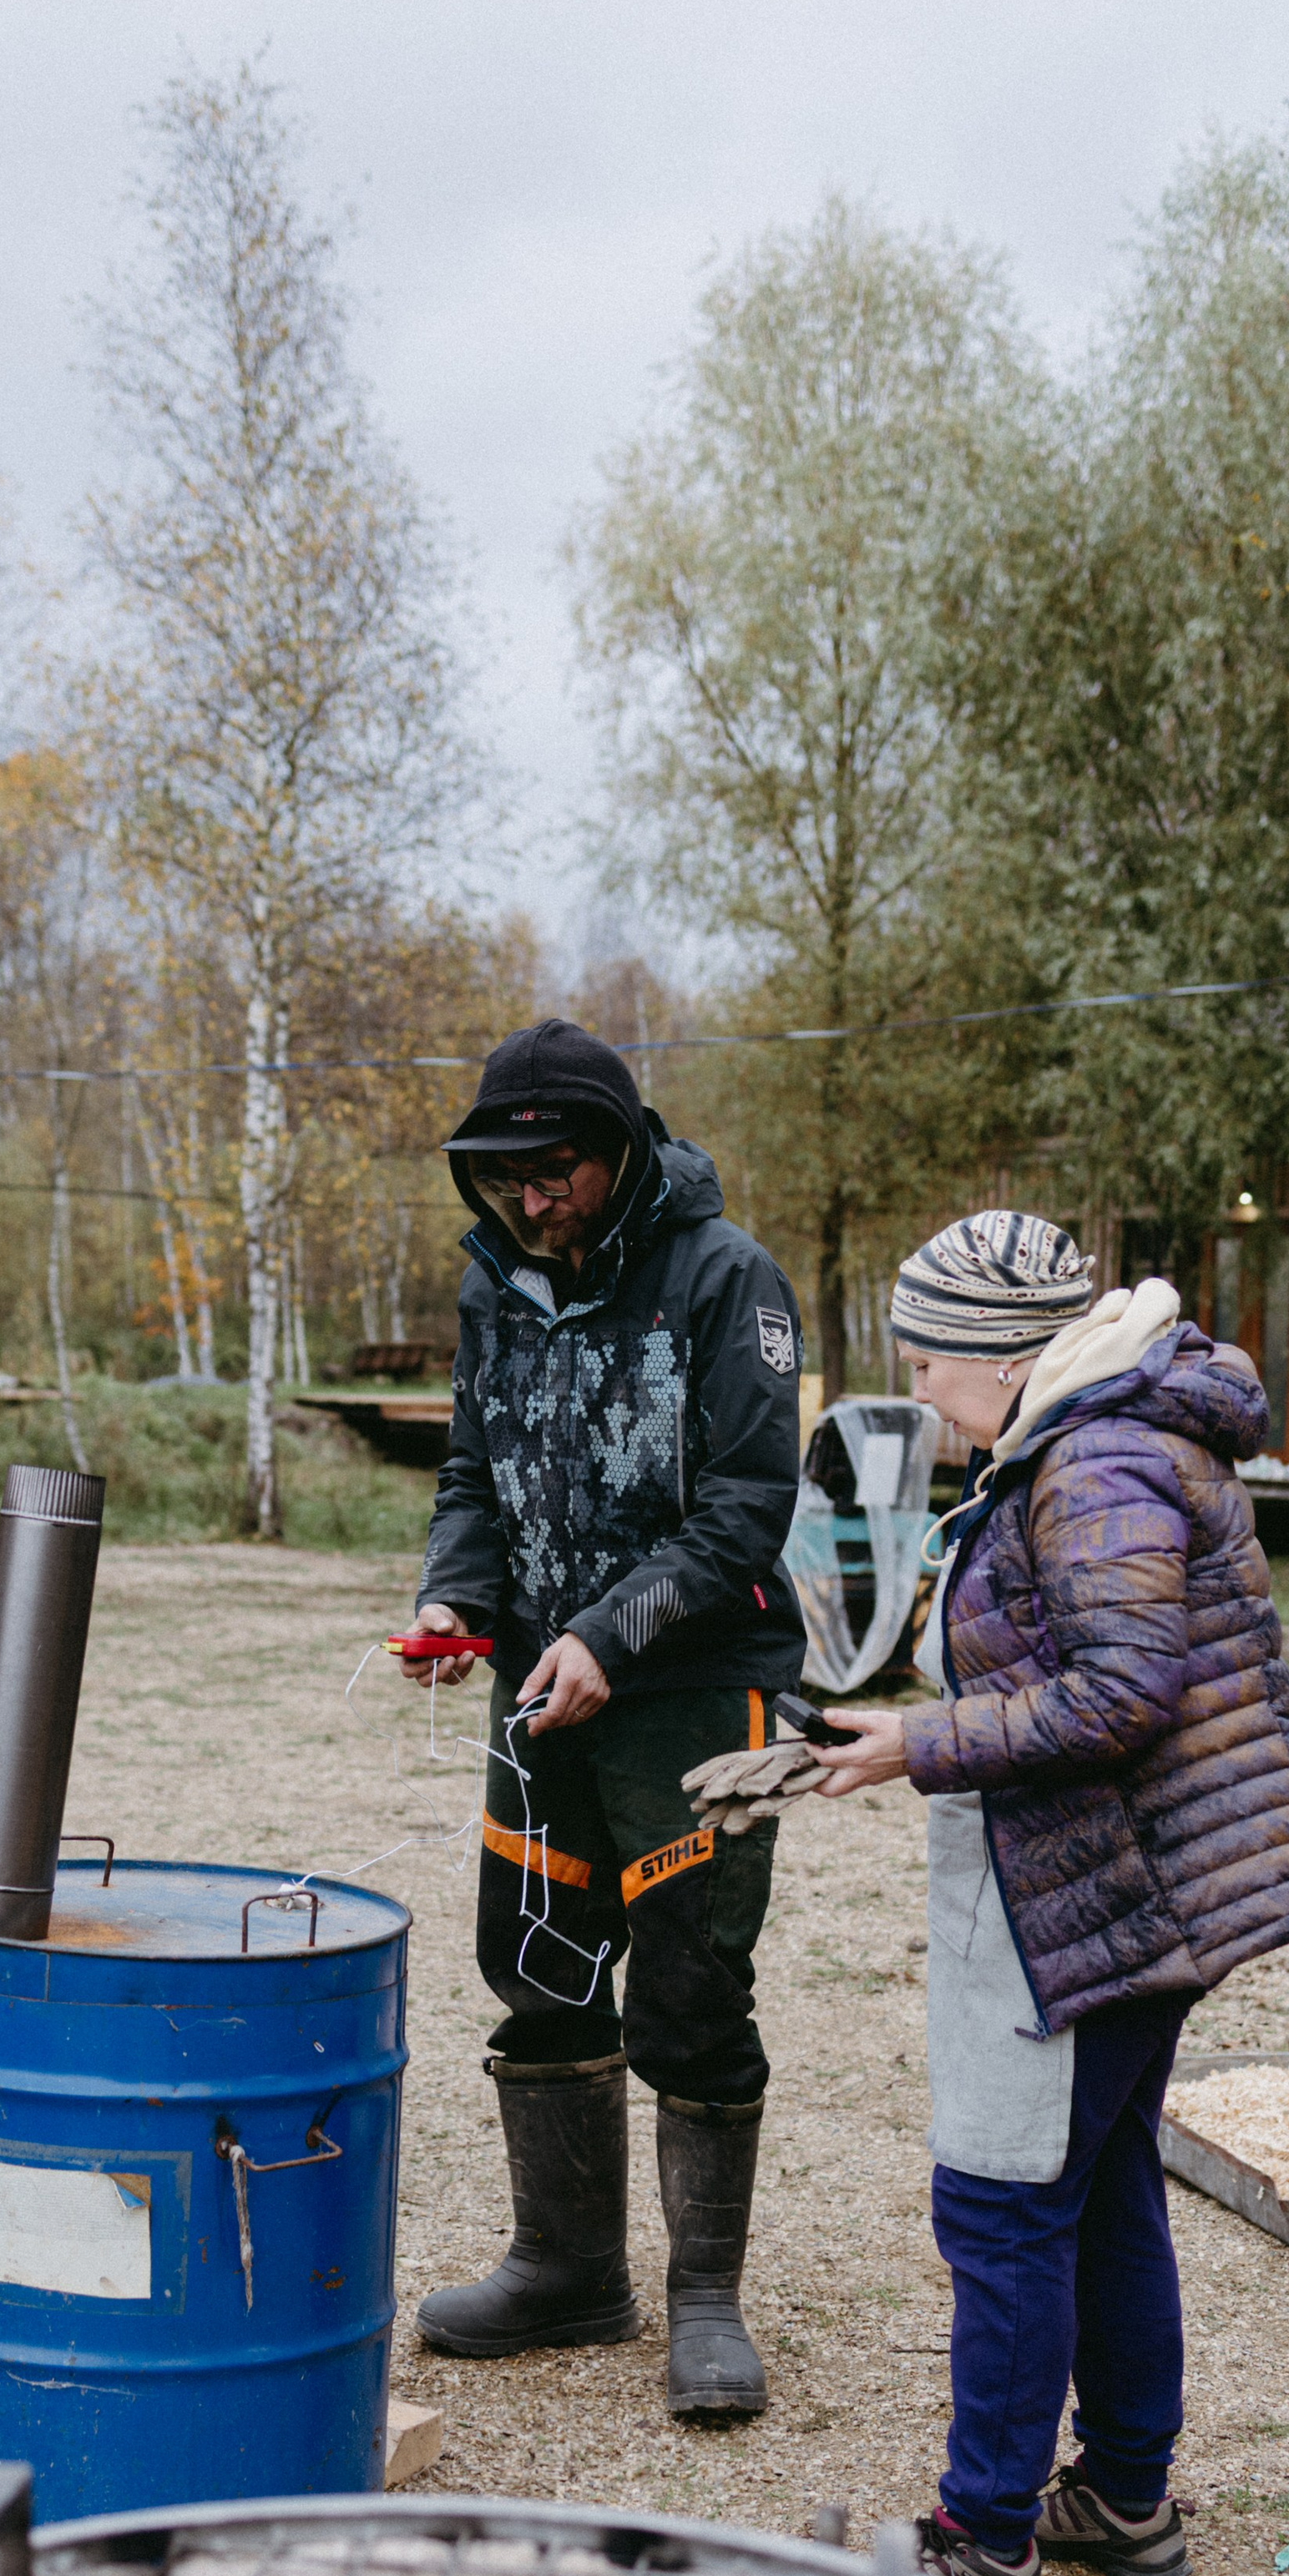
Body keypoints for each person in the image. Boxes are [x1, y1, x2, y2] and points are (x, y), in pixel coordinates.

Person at [811, 1210, 1289, 2576]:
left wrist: (910, 1746)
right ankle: (1123, 2492)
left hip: (1097, 1899)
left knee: (999, 2210)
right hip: (1122, 1890)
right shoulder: (1085, 1439)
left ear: (998, 1356)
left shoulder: (1097, 1455)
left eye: (925, 1359)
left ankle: (984, 2543)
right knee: (1100, 2192)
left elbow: (1122, 1692)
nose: (917, 1389)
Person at [402, 1018, 806, 2419]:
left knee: (691, 1982)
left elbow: (748, 1509)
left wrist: (607, 1635)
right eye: (505, 1175)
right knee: (538, 1959)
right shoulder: (491, 1286)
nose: (531, 1197)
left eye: (556, 1169)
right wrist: (457, 1603)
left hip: (696, 1687)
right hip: (539, 1687)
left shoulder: (726, 1276)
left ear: (620, 1150)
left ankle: (706, 2301)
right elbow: (472, 1472)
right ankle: (569, 2268)